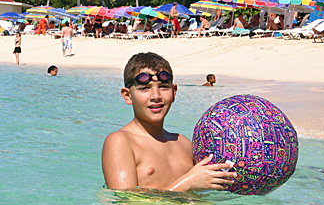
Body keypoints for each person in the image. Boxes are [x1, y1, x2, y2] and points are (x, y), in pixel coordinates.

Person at [101, 52, 236, 191]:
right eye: (144, 88)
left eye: (163, 87)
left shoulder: (183, 143)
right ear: (127, 96)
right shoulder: (121, 142)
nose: (156, 96)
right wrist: (188, 183)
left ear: (174, 92)